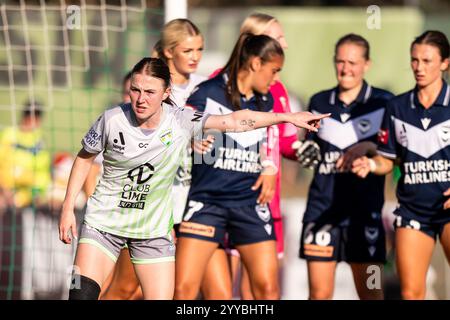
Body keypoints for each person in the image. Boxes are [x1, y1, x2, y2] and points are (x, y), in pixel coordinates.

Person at [58, 56, 328, 300]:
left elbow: (234, 121)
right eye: (135, 90)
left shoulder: (180, 120)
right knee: (81, 295)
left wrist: (286, 117)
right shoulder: (111, 119)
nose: (140, 99)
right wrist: (68, 207)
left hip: (151, 232)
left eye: (150, 92)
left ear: (166, 93)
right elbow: (84, 158)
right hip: (103, 223)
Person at [174, 33, 327, 300]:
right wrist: (188, 143)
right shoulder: (207, 92)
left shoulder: (265, 100)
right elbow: (179, 125)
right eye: (273, 71)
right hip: (207, 203)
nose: (275, 79)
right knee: (186, 290)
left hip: (250, 204)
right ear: (256, 64)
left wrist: (269, 164)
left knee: (268, 290)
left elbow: (267, 142)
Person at [98, 19, 207, 300]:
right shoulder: (149, 85)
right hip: (148, 201)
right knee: (125, 286)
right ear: (169, 52)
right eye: (188, 50)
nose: (195, 57)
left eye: (200, 50)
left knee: (181, 290)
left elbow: (214, 132)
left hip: (190, 198)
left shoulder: (204, 89)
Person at [201, 13, 299, 300]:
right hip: (225, 200)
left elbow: (285, 141)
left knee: (264, 290)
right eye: (278, 38)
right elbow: (208, 138)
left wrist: (307, 150)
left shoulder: (277, 88)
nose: (286, 44)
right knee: (220, 290)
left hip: (266, 203)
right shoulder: (215, 84)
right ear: (255, 45)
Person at [352, 30, 450, 300]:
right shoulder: (396, 107)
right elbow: (387, 159)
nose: (419, 67)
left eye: (427, 61)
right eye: (414, 60)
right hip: (413, 209)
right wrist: (370, 165)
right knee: (410, 293)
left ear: (445, 63)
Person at [298, 34, 394, 300]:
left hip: (365, 214)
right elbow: (311, 149)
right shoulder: (319, 102)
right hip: (321, 210)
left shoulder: (385, 102)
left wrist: (369, 149)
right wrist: (304, 152)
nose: (345, 68)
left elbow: (395, 156)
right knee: (319, 295)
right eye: (340, 61)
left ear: (367, 64)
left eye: (352, 62)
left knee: (372, 294)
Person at [0, 101, 51, 209]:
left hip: (27, 195)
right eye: (29, 115)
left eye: (36, 117)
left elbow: (42, 174)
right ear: (24, 116)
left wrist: (30, 194)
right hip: (4, 190)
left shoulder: (39, 140)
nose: (32, 120)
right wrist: (5, 189)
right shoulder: (9, 134)